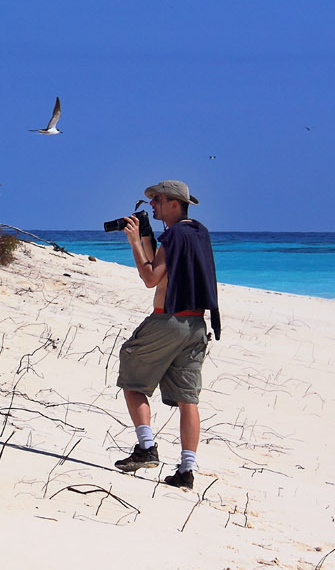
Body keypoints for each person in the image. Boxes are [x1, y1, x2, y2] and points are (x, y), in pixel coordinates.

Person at [112, 180, 220, 490]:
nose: (153, 205)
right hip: (197, 326)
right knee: (188, 399)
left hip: (167, 321)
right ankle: (186, 470)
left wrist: (134, 241)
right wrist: (148, 238)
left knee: (132, 377)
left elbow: (150, 277)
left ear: (174, 202)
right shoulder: (198, 233)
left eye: (157, 200)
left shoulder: (175, 235)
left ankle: (146, 447)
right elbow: (165, 264)